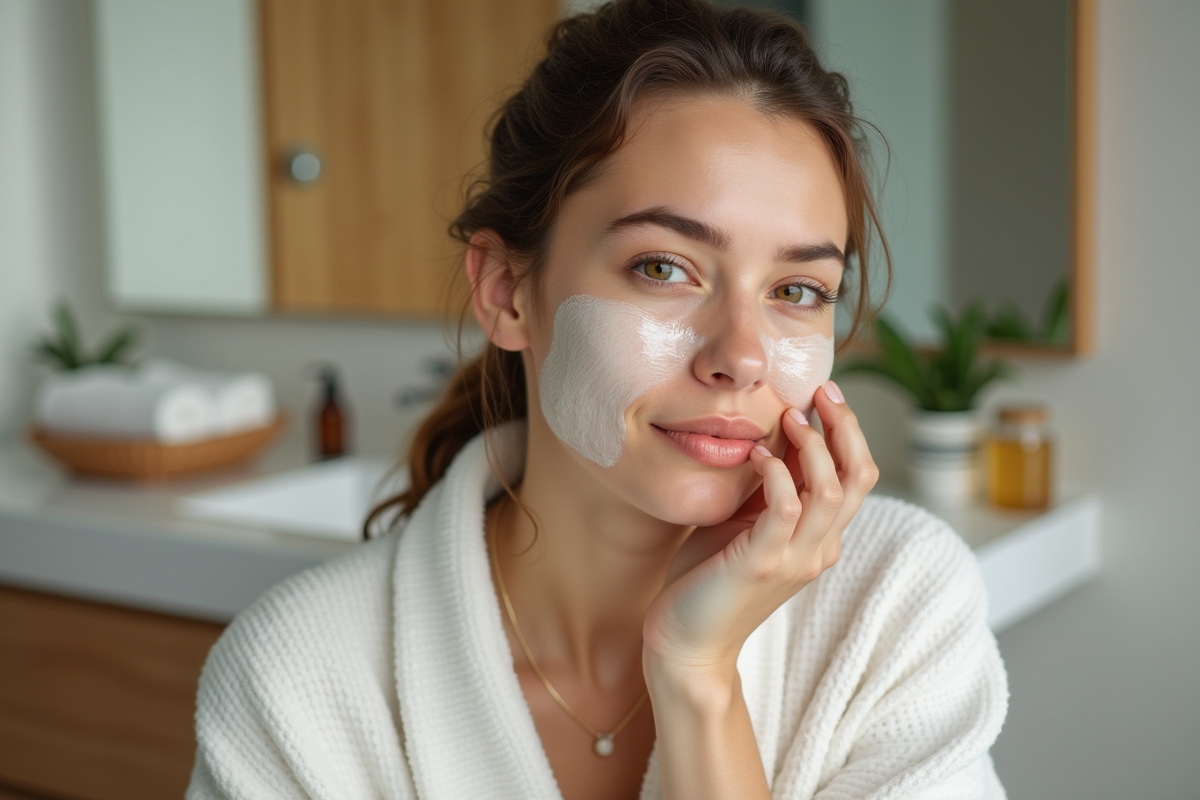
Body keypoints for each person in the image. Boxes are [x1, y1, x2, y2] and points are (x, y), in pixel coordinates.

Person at [187, 1, 1008, 798]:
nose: (742, 358)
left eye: (797, 289)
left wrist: (698, 679)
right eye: (664, 267)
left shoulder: (896, 605)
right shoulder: (297, 679)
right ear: (508, 291)